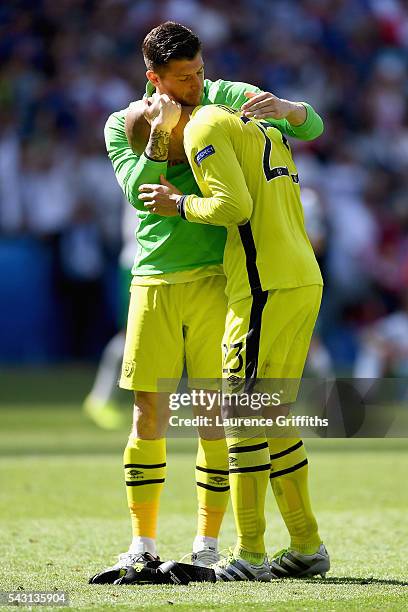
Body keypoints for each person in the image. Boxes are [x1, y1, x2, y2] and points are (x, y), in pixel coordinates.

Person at [90, 21, 324, 583]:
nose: (197, 85)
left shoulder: (226, 99)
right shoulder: (123, 123)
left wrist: (293, 108)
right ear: (154, 78)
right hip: (154, 276)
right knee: (149, 413)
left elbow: (311, 126)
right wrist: (158, 139)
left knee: (217, 415)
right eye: (182, 78)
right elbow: (141, 196)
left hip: (222, 276)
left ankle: (209, 545)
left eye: (199, 72)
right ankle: (141, 543)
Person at [139, 102, 330, 581]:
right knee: (270, 412)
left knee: (240, 415)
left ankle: (248, 552)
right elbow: (311, 126)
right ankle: (306, 545)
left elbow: (233, 207)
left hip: (263, 283)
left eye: (164, 137)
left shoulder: (202, 126)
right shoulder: (257, 125)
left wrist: (177, 203)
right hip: (302, 276)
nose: (174, 160)